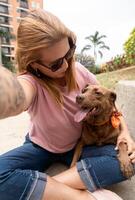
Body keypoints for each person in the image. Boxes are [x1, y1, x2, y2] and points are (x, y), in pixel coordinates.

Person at [0, 9, 135, 200]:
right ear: (34, 64)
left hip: (80, 146)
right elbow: (18, 94)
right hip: (40, 147)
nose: (65, 65)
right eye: (55, 64)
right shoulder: (30, 82)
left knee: (128, 160)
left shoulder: (79, 70)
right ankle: (84, 196)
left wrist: (125, 133)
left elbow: (109, 105)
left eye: (70, 52)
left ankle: (46, 189)